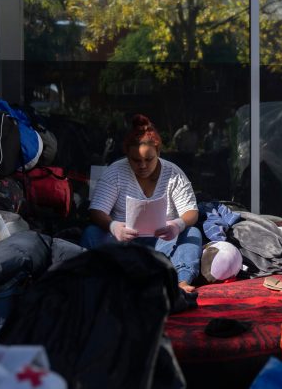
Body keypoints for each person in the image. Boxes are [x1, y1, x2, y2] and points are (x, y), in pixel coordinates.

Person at [81, 114, 203, 293]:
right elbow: (96, 211)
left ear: (158, 153)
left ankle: (181, 282)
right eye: (136, 160)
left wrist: (177, 225)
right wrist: (114, 227)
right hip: (123, 243)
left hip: (163, 242)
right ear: (127, 156)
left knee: (192, 232)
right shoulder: (115, 172)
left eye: (149, 159)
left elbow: (192, 211)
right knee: (91, 233)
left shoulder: (173, 173)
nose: (143, 166)